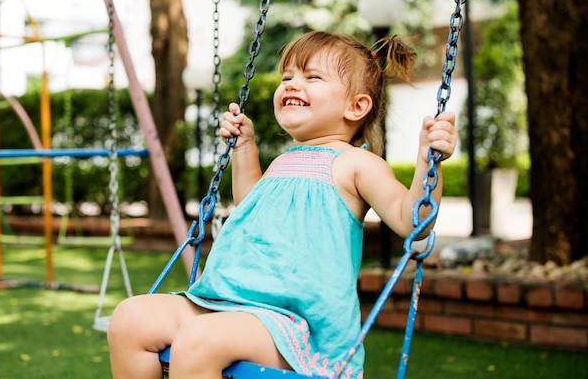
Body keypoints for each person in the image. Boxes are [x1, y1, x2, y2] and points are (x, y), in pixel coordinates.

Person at [107, 30, 458, 379]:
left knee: (199, 340)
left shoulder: (356, 164)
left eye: (312, 76)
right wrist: (244, 148)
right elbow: (250, 210)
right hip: (226, 303)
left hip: (294, 325)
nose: (291, 84)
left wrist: (430, 160)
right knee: (131, 318)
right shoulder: (282, 162)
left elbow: (411, 221)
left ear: (356, 106)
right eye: (287, 76)